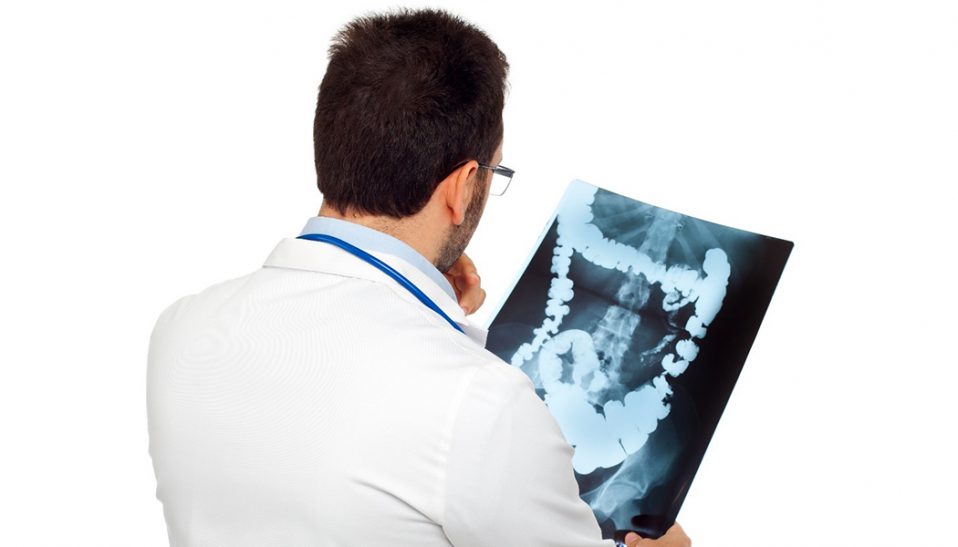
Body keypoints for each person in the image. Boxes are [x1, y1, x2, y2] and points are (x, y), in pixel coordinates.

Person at [146, 8, 690, 547]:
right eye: (494, 172)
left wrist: (427, 309)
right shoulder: (483, 403)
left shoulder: (180, 328)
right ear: (463, 185)